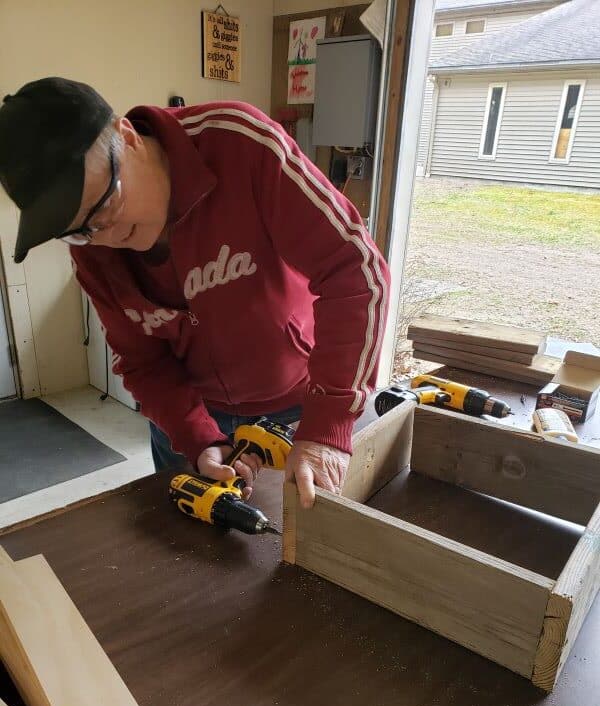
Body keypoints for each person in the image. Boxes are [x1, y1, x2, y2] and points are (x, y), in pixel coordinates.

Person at [0, 78, 389, 508]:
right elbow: (143, 362)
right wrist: (196, 438)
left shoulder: (241, 144)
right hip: (190, 423)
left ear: (126, 137)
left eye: (106, 205)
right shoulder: (93, 252)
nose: (104, 235)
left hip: (300, 407)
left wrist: (328, 421)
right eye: (78, 231)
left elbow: (354, 272)